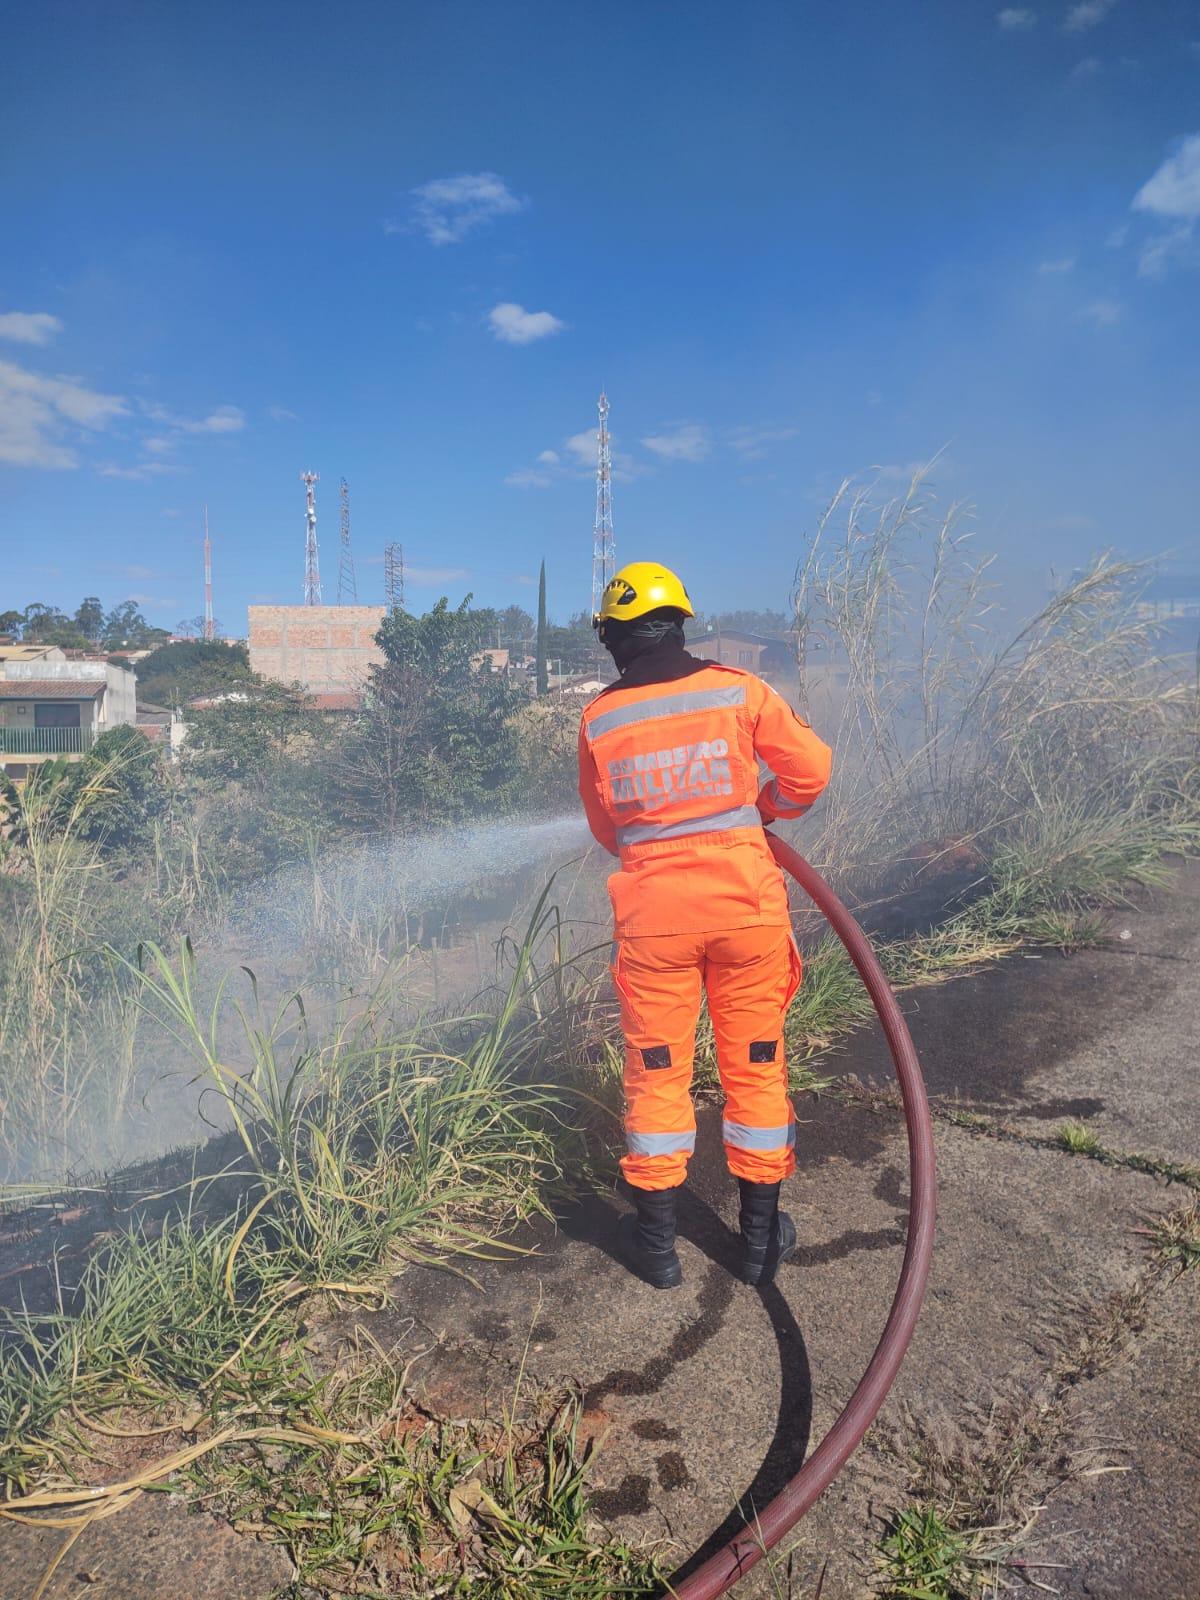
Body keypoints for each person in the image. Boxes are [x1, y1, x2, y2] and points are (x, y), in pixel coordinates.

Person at [578, 561, 832, 1289]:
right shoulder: (738, 690)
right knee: (754, 1065)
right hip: (744, 912)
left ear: (616, 638)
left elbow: (607, 827)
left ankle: (656, 1249)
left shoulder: (601, 716)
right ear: (681, 623)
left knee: (655, 1072)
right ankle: (758, 1246)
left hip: (654, 923)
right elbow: (809, 771)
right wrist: (766, 810)